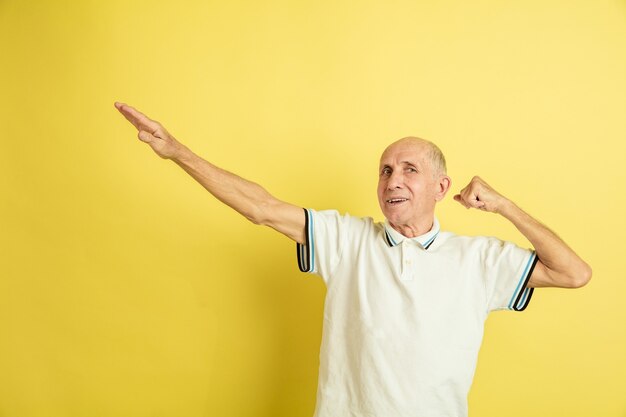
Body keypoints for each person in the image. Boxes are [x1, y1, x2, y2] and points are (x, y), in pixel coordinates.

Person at [114, 101, 591, 417]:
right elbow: (260, 207)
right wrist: (175, 151)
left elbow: (574, 273)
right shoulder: (346, 239)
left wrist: (504, 206)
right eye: (385, 171)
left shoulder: (480, 260)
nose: (393, 181)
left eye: (410, 170)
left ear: (442, 188)